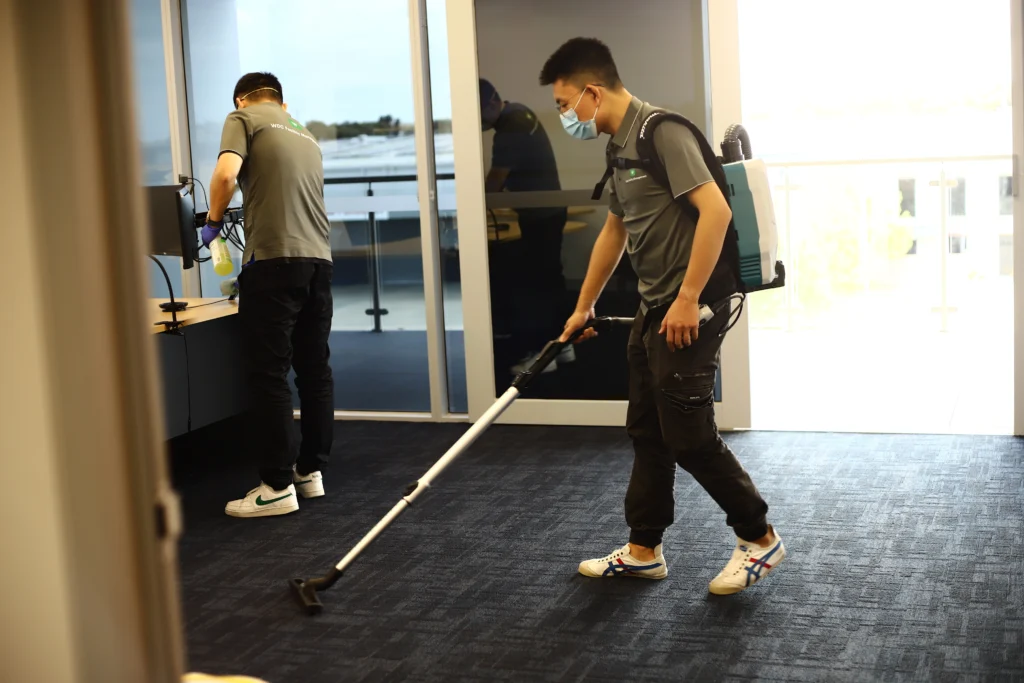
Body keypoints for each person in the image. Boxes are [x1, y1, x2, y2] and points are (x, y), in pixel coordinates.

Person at [541, 38, 785, 594]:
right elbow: (616, 229)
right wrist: (584, 306)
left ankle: (759, 537)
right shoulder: (619, 146)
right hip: (657, 306)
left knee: (690, 435)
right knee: (648, 430)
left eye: (562, 104)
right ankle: (644, 548)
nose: (563, 116)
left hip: (692, 306)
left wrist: (685, 296)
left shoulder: (662, 133)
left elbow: (716, 212)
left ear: (591, 92)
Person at [201, 72, 334, 518]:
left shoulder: (242, 117)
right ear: (283, 101)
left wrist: (214, 221)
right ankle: (309, 471)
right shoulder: (304, 132)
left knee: (269, 374)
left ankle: (276, 487)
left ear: (242, 98)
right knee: (313, 370)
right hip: (319, 262)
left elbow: (224, 175)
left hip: (274, 262)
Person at [479, 78, 572, 375]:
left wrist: (476, 201)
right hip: (547, 210)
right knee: (550, 279)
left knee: (535, 286)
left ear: (493, 103)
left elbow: (497, 178)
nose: (478, 123)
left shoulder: (511, 125)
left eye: (479, 115)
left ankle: (541, 355)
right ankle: (564, 344)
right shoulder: (522, 112)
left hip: (540, 215)